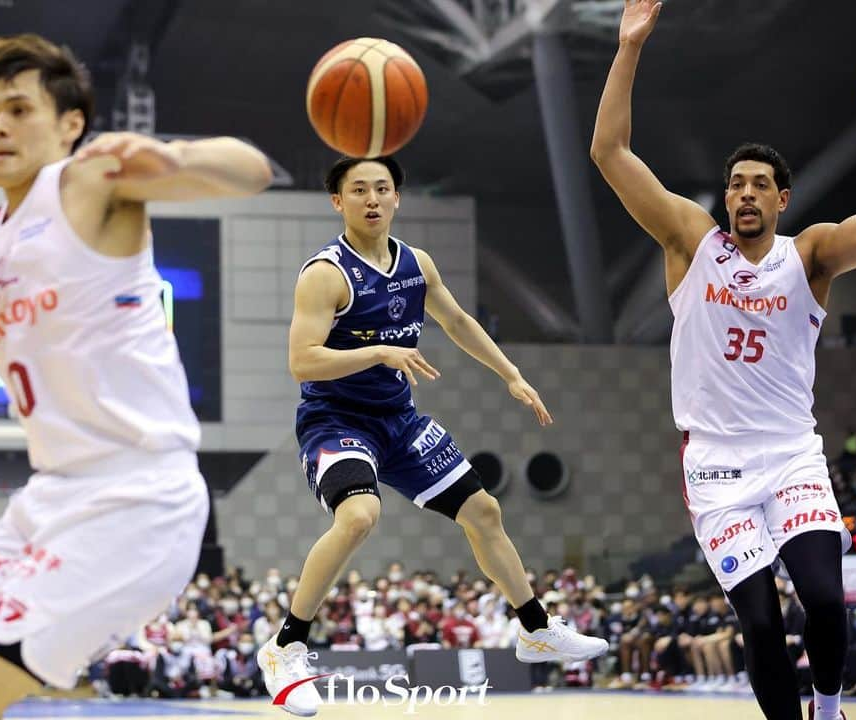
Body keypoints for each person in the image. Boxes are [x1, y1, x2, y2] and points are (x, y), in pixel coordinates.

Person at [0, 34, 271, 719]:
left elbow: (249, 171)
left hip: (140, 499)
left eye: (19, 109)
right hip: (48, 501)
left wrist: (170, 158)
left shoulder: (89, 184)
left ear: (71, 123)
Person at [590, 3, 856, 719]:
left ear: (782, 199)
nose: (745, 192)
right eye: (736, 183)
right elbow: (610, 154)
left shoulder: (811, 255)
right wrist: (630, 47)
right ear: (725, 199)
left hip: (791, 454)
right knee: (760, 623)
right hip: (717, 470)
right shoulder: (690, 244)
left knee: (824, 598)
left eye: (760, 183)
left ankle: (829, 709)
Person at [257, 155, 608, 715]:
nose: (372, 199)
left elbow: (460, 322)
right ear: (337, 202)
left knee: (485, 511)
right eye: (359, 190)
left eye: (383, 188)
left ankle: (535, 629)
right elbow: (302, 362)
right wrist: (378, 350)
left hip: (399, 420)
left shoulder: (416, 265)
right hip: (336, 421)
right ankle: (286, 645)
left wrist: (511, 374)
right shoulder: (325, 273)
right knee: (359, 516)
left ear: (397, 197)